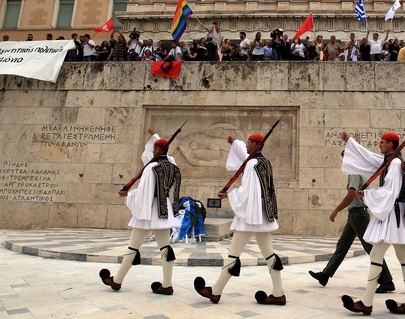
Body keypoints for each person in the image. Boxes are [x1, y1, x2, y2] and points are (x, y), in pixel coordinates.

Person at [194, 133, 286, 306]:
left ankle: (216, 291)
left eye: (250, 143)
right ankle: (278, 293)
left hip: (250, 214)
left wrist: (228, 195)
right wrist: (234, 142)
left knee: (234, 253)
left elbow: (247, 192)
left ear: (258, 145)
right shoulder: (264, 162)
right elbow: (245, 160)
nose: (247, 145)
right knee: (270, 255)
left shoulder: (252, 164)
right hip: (263, 213)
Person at [340, 131, 405, 316]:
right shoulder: (389, 160)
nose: (380, 145)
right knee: (404, 258)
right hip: (394, 213)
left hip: (392, 214)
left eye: (383, 142)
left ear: (391, 145)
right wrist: (349, 142)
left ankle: (366, 303)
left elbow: (390, 191)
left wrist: (367, 194)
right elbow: (368, 158)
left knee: (376, 254)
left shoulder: (394, 163)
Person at [99, 128, 181, 295]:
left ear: (158, 150)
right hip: (164, 211)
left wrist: (127, 195)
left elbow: (145, 193)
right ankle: (167, 284)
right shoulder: (174, 167)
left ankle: (117, 280)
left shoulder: (152, 168)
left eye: (154, 149)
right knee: (166, 248)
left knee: (133, 247)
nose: (152, 152)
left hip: (147, 210)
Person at [309, 151, 395, 293]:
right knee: (342, 246)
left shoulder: (354, 173)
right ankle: (325, 275)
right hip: (354, 216)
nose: (343, 162)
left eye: (345, 159)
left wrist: (336, 210)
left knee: (371, 249)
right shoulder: (354, 173)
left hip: (359, 216)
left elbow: (351, 195)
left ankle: (387, 281)